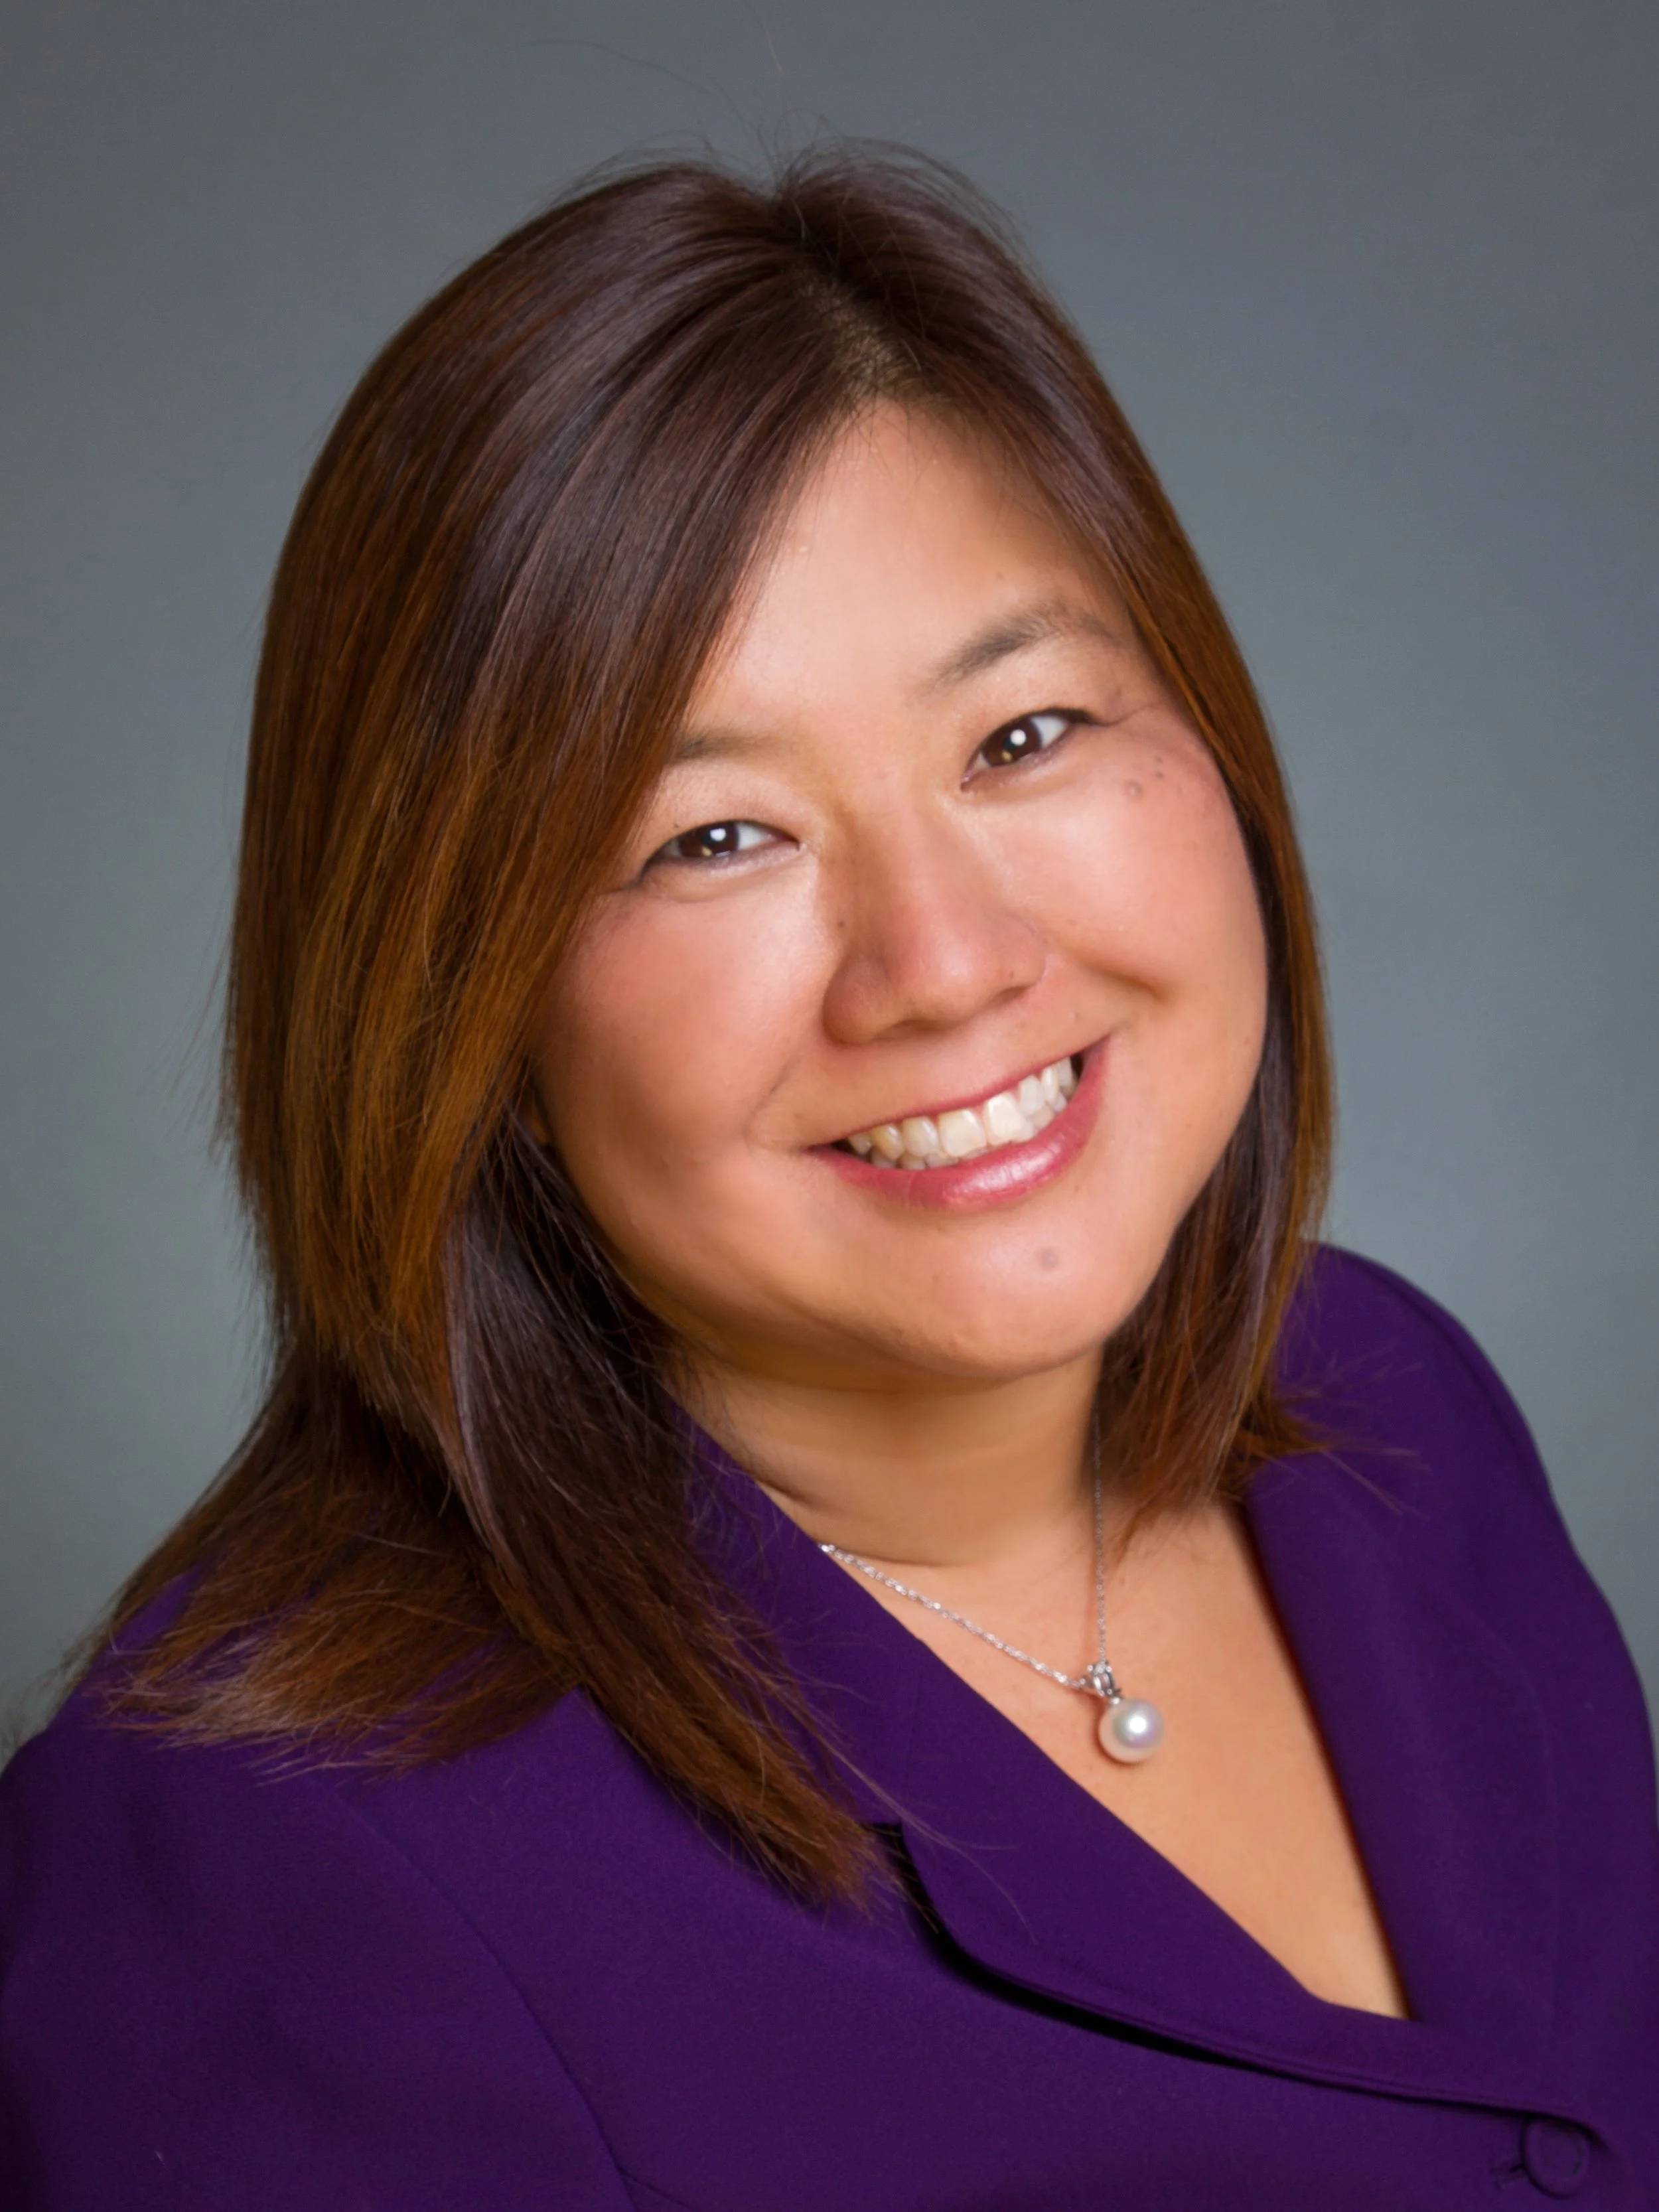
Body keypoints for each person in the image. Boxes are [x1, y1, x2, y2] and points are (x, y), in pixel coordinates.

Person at [1, 148, 1654, 2209]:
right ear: (466, 1019)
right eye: (712, 837)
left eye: (1024, 732)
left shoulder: (1392, 1403)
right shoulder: (272, 1880)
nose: (947, 961)